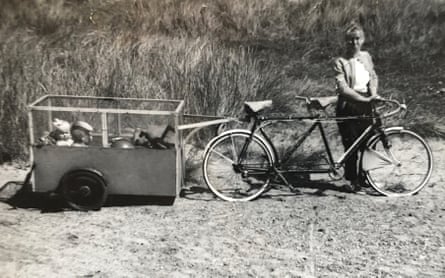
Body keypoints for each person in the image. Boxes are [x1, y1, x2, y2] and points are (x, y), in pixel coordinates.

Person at [333, 23, 380, 192]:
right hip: (349, 106)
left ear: (363, 39)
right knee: (351, 144)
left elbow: (373, 77)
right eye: (350, 40)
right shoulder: (340, 61)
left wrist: (373, 94)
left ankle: (365, 177)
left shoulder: (366, 56)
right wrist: (363, 100)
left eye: (357, 39)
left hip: (366, 104)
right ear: (346, 42)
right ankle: (352, 180)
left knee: (368, 143)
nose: (354, 43)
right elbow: (343, 89)